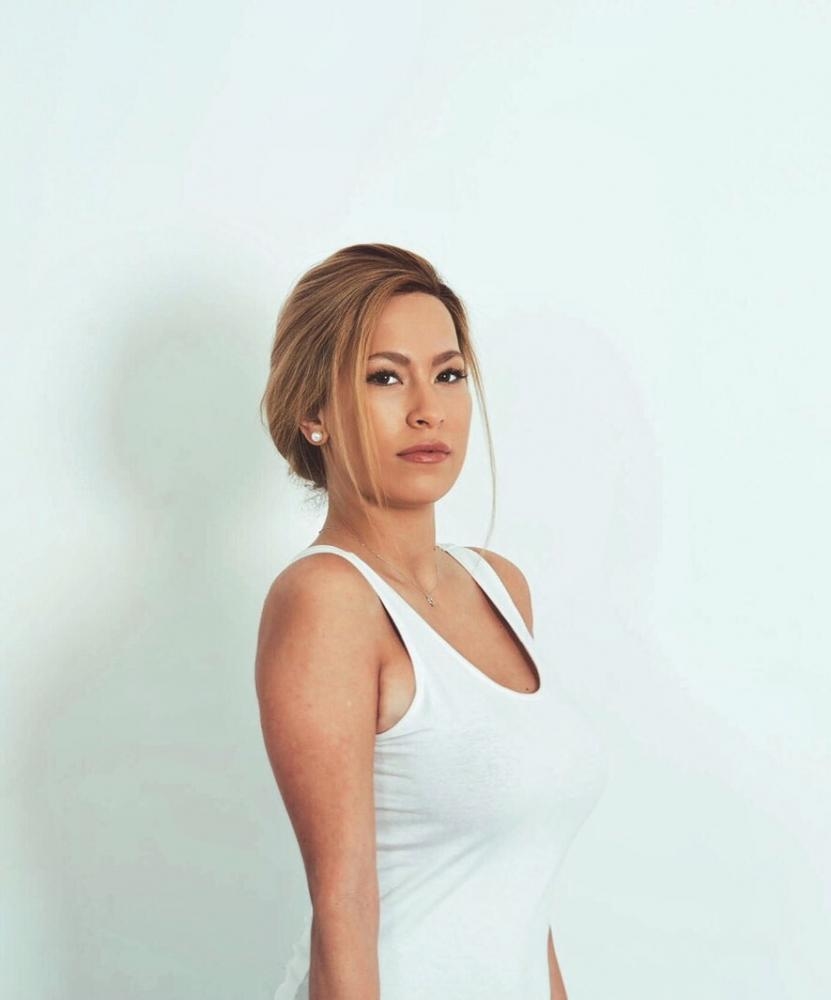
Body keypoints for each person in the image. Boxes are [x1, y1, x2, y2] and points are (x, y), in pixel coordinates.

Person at [255, 244, 609, 1000]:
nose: (427, 408)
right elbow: (343, 911)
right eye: (385, 377)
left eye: (447, 374)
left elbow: (520, 901)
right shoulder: (327, 600)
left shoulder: (499, 587)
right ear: (313, 412)